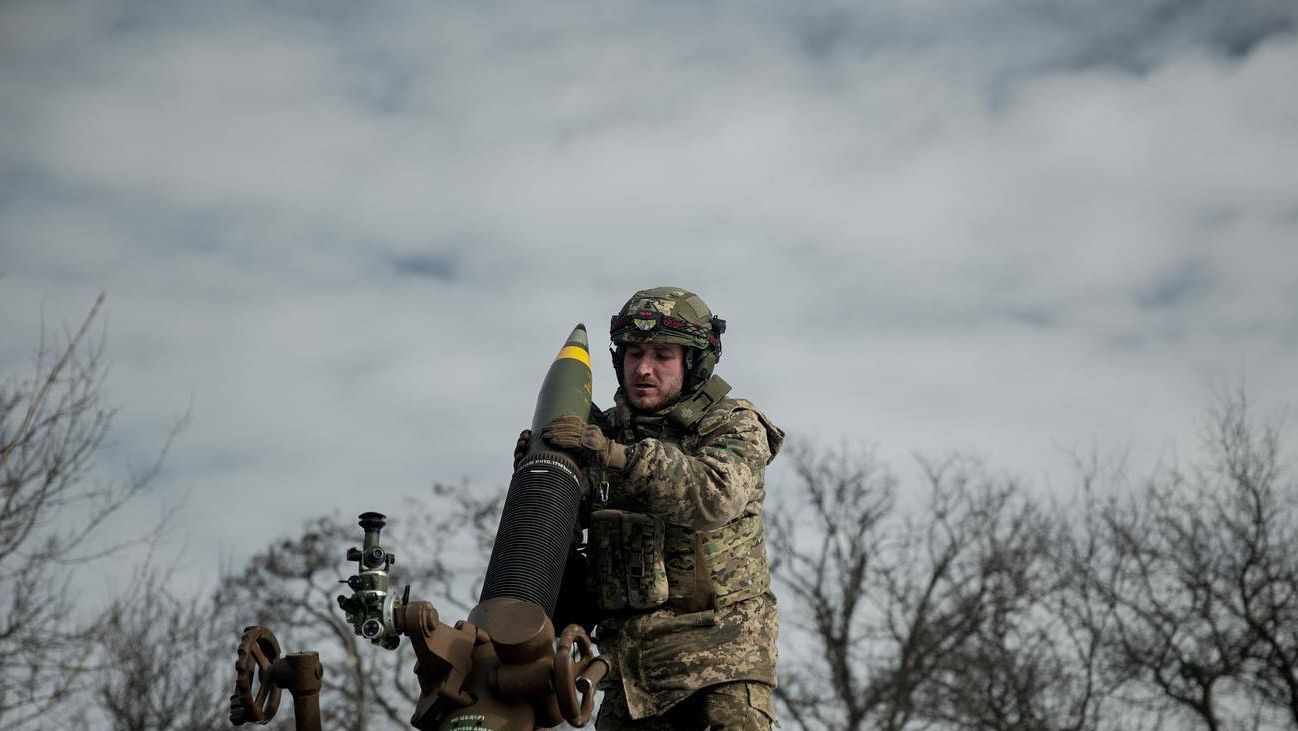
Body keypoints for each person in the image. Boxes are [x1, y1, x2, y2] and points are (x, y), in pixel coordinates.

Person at [527, 287, 784, 730]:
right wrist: (546, 476)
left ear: (693, 362)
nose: (644, 369)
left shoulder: (733, 422)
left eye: (662, 354)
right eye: (634, 354)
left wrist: (616, 457)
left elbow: (714, 496)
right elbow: (557, 548)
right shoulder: (598, 434)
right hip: (629, 679)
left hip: (720, 665)